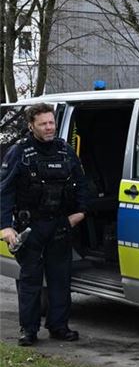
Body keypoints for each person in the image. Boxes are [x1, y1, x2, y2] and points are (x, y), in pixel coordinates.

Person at [1, 103, 92, 346]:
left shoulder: (64, 150)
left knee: (60, 279)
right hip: (30, 227)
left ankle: (59, 326)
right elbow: (5, 191)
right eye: (43, 124)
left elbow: (82, 183)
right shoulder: (19, 152)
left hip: (60, 224)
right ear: (32, 125)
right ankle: (28, 330)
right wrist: (5, 227)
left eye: (51, 122)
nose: (49, 127)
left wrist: (80, 212)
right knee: (31, 281)